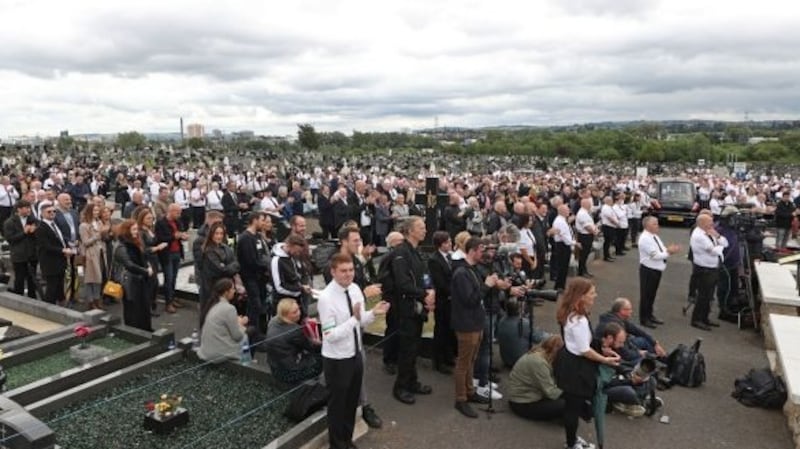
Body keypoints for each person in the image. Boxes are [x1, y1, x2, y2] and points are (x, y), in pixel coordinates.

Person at [318, 253, 390, 449]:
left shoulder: (355, 288)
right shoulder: (326, 298)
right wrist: (355, 320)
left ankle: (346, 441)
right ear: (333, 272)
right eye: (343, 271)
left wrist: (374, 313)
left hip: (355, 353)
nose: (348, 274)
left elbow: (361, 319)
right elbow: (330, 335)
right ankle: (337, 445)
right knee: (337, 406)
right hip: (337, 359)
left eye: (351, 270)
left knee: (351, 403)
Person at [554, 278, 620, 449]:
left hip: (568, 361)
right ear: (581, 296)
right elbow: (585, 350)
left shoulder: (568, 312)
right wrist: (604, 359)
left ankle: (572, 439)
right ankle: (571, 444)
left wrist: (601, 349)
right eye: (591, 293)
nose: (595, 295)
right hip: (577, 368)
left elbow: (581, 343)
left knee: (571, 406)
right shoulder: (580, 320)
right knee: (572, 409)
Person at [390, 216, 435, 405]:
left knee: (414, 347)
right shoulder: (401, 253)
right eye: (421, 227)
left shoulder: (416, 252)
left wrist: (430, 291)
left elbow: (423, 276)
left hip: (417, 307)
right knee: (407, 348)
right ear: (410, 231)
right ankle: (400, 386)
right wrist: (424, 295)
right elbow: (402, 283)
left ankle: (412, 381)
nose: (425, 230)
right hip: (406, 308)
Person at [451, 237, 496, 418]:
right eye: (480, 250)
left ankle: (470, 391)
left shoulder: (472, 270)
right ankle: (460, 399)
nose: (483, 253)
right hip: (466, 324)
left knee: (471, 360)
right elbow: (470, 300)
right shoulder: (461, 273)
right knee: (463, 362)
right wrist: (487, 285)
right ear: (471, 251)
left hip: (475, 322)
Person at [507, 335, 566, 421]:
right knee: (566, 404)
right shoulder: (539, 363)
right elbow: (551, 392)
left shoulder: (539, 353)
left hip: (525, 396)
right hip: (522, 403)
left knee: (567, 397)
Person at [265, 298, 322, 384]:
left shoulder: (273, 321)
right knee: (322, 357)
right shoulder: (294, 331)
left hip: (274, 366)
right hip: (290, 372)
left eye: (298, 309)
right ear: (285, 315)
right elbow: (311, 346)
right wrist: (318, 343)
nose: (299, 313)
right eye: (295, 312)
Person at [637, 216, 680, 328]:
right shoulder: (645, 238)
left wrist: (668, 250)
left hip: (656, 270)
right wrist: (669, 252)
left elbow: (661, 249)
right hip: (648, 270)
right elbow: (655, 255)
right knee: (646, 295)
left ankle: (650, 315)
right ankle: (644, 318)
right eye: (655, 224)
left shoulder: (654, 236)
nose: (658, 226)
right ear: (647, 225)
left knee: (652, 294)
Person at [596, 298, 667, 364]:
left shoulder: (617, 319)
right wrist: (639, 353)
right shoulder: (616, 327)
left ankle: (665, 359)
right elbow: (625, 353)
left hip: (622, 348)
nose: (631, 311)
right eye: (629, 309)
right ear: (622, 311)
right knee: (643, 361)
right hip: (616, 355)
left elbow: (638, 331)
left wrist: (655, 343)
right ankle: (659, 364)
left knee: (644, 341)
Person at [113, 220, 153, 331]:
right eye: (134, 230)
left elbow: (142, 256)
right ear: (127, 231)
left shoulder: (135, 242)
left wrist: (147, 265)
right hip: (130, 281)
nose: (137, 232)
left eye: (137, 229)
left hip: (139, 279)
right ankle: (134, 330)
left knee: (143, 305)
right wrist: (145, 271)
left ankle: (145, 328)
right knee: (133, 307)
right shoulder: (121, 246)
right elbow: (129, 264)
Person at [689, 213, 727, 331]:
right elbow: (714, 251)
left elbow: (725, 243)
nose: (712, 224)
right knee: (703, 295)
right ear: (702, 223)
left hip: (713, 267)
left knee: (709, 295)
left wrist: (718, 237)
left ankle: (705, 317)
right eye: (710, 222)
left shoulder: (709, 232)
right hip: (704, 268)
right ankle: (697, 319)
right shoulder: (698, 235)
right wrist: (720, 248)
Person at [198, 278, 248, 363]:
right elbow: (237, 336)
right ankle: (246, 363)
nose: (234, 291)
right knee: (244, 338)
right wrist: (240, 323)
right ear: (226, 292)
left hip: (205, 350)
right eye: (232, 289)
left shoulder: (212, 305)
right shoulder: (229, 309)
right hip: (218, 354)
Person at [237, 212, 272, 333]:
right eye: (262, 220)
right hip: (251, 277)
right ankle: (253, 333)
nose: (263, 223)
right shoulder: (246, 238)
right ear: (254, 220)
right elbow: (251, 261)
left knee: (261, 305)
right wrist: (266, 266)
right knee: (255, 305)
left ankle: (261, 331)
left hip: (260, 278)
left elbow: (262, 255)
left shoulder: (257, 236)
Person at [428, 231, 456, 374]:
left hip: (451, 301)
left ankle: (448, 356)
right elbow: (440, 283)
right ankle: (439, 361)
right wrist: (453, 291)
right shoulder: (434, 260)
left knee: (450, 330)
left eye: (450, 241)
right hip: (443, 301)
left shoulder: (450, 257)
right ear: (440, 245)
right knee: (441, 330)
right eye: (447, 242)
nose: (450, 244)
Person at [35, 201, 73, 305]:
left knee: (59, 285)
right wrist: (62, 250)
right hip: (50, 262)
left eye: (54, 211)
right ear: (42, 213)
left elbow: (61, 239)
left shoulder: (55, 224)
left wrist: (68, 246)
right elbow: (46, 246)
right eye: (49, 212)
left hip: (60, 260)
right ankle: (48, 308)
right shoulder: (40, 228)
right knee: (52, 287)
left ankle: (61, 302)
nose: (52, 213)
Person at [155, 204, 189, 314]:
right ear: (171, 211)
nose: (179, 215)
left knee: (174, 278)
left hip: (177, 252)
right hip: (167, 253)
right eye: (177, 213)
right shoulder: (161, 223)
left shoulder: (178, 222)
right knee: (168, 278)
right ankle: (168, 303)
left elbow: (180, 232)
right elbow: (160, 238)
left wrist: (183, 235)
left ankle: (172, 298)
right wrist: (175, 236)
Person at [497, 299, 550, 369]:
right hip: (520, 362)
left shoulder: (501, 321)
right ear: (519, 309)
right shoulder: (523, 323)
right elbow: (539, 338)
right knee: (546, 346)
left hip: (506, 360)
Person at [271, 234, 313, 319]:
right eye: (296, 251)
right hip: (283, 303)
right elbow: (279, 287)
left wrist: (301, 287)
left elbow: (295, 277)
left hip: (296, 300)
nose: (297, 254)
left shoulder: (291, 257)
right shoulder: (276, 260)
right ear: (289, 245)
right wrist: (300, 289)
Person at [135, 208, 168, 317]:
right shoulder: (141, 232)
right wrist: (158, 247)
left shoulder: (151, 230)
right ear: (142, 219)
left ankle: (152, 305)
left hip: (154, 259)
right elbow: (143, 249)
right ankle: (147, 307)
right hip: (147, 260)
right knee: (151, 283)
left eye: (151, 218)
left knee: (154, 284)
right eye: (148, 218)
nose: (150, 220)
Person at [201, 222, 241, 310]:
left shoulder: (226, 247)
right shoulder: (209, 251)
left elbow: (237, 263)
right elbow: (221, 270)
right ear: (211, 234)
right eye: (216, 233)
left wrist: (227, 266)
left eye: (221, 233)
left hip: (227, 287)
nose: (219, 236)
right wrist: (229, 266)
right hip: (213, 289)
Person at [3, 200, 38, 298]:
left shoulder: (33, 220)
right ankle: (19, 297)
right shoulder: (9, 222)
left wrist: (35, 231)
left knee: (32, 279)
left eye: (29, 208)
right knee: (19, 279)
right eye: (26, 208)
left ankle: (33, 297)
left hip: (32, 254)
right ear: (19, 209)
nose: (28, 210)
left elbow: (39, 235)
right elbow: (10, 239)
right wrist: (24, 232)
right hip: (19, 255)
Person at [78, 203, 107, 310]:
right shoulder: (84, 225)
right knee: (90, 279)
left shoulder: (99, 222)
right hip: (90, 254)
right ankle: (90, 301)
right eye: (94, 211)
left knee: (98, 278)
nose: (96, 213)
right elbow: (85, 242)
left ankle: (97, 299)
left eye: (97, 211)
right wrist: (97, 236)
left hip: (100, 252)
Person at [551, 204, 575, 290]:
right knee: (562, 267)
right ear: (562, 211)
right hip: (562, 246)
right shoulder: (560, 221)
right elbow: (564, 236)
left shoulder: (562, 220)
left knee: (564, 267)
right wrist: (573, 243)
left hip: (563, 245)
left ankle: (561, 285)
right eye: (567, 210)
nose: (569, 211)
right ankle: (559, 286)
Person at [575, 198, 598, 278]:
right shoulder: (582, 213)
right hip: (584, 236)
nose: (590, 205)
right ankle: (581, 271)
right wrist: (594, 231)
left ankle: (584, 270)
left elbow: (590, 223)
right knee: (583, 255)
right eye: (589, 204)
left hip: (588, 235)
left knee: (585, 254)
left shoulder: (586, 212)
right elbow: (586, 226)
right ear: (584, 204)